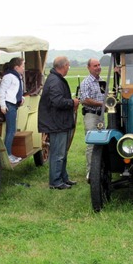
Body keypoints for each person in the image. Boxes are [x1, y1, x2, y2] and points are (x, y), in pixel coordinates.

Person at [38, 56, 80, 190]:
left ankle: (63, 178)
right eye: (68, 66)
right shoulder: (55, 81)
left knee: (62, 153)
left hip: (60, 122)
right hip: (56, 124)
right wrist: (72, 102)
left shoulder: (55, 79)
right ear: (64, 66)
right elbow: (57, 101)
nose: (68, 68)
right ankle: (55, 182)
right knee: (58, 153)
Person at [79, 58, 105, 182]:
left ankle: (101, 168)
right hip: (91, 115)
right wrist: (102, 103)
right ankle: (90, 172)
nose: (98, 67)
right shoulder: (86, 82)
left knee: (102, 142)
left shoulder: (102, 81)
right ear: (89, 68)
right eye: (95, 65)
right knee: (91, 144)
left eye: (99, 65)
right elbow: (85, 99)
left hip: (101, 115)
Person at [0, 57, 26, 164]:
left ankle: (8, 154)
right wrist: (3, 105)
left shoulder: (16, 76)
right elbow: (2, 91)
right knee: (10, 131)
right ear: (16, 67)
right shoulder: (9, 77)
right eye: (22, 66)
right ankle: (7, 155)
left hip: (14, 104)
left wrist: (21, 98)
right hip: (9, 105)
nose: (23, 68)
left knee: (11, 130)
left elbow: (16, 91)